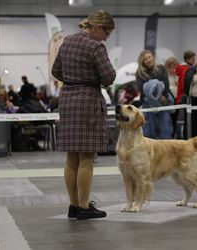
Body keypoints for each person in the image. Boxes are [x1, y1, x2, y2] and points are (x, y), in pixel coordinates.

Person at [51, 10, 116, 220]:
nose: (106, 38)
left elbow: (56, 71)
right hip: (88, 101)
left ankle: (73, 206)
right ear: (98, 27)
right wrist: (90, 78)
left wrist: (72, 79)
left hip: (68, 100)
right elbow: (109, 77)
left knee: (71, 157)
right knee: (87, 157)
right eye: (107, 33)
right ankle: (84, 207)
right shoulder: (96, 46)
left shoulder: (67, 41)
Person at [135, 50, 173, 139]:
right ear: (142, 62)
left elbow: (166, 85)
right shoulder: (139, 73)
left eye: (149, 57)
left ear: (153, 57)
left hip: (163, 103)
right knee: (148, 130)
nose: (148, 60)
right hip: (147, 104)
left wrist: (153, 87)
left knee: (166, 128)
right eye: (145, 59)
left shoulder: (161, 68)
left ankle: (167, 149)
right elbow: (142, 89)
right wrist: (157, 88)